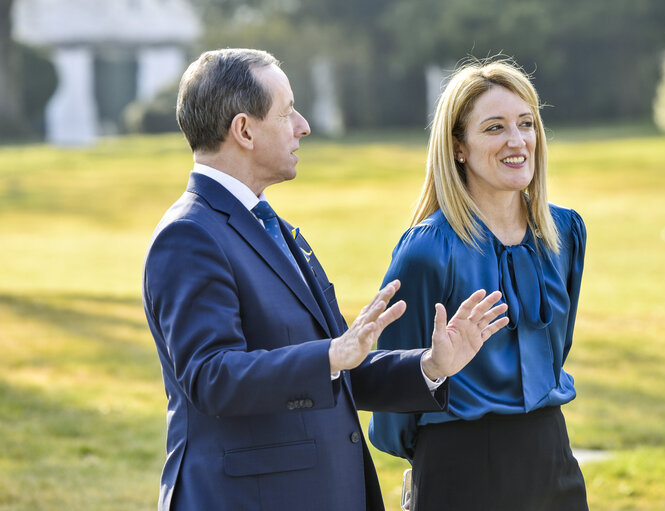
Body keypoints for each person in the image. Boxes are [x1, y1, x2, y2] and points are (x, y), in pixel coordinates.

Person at [142, 48, 509, 511]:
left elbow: (340, 368)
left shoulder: (270, 225)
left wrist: (432, 365)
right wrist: (333, 353)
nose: (303, 125)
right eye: (286, 111)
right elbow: (211, 376)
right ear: (244, 130)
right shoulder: (189, 235)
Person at [368, 58, 589, 510]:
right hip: (462, 470)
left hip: (554, 456)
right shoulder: (428, 250)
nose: (517, 141)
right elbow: (393, 389)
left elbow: (555, 348)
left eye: (526, 124)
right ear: (458, 148)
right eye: (494, 128)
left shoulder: (564, 233)